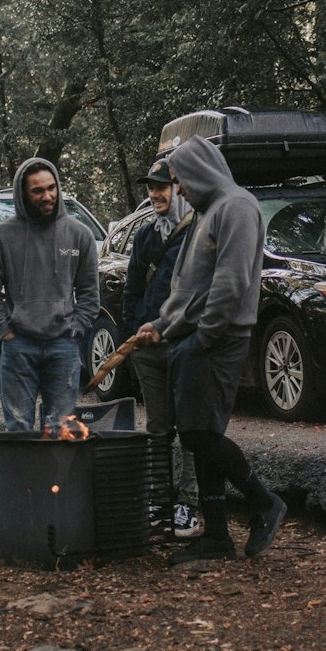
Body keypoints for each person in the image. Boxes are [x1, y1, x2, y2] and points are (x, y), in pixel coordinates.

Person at [134, 135, 286, 563]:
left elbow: (230, 283)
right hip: (191, 337)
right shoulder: (208, 213)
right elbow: (191, 287)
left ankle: (264, 501)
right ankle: (217, 535)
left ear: (200, 170)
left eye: (181, 180)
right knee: (199, 435)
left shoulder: (236, 206)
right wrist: (163, 324)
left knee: (201, 434)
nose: (178, 189)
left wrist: (204, 337)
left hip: (216, 340)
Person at [0, 157, 100, 433]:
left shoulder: (79, 235)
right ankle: (23, 479)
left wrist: (76, 329)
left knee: (60, 429)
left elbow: (90, 293)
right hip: (18, 345)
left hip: (63, 345)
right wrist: (5, 331)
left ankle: (55, 478)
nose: (47, 196)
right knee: (18, 428)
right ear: (23, 194)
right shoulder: (0, 236)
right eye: (38, 191)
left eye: (51, 188)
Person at [122, 157, 201, 539]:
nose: (155, 193)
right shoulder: (145, 236)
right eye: (151, 186)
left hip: (185, 346)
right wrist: (131, 335)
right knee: (157, 428)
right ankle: (158, 500)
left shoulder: (198, 233)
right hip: (147, 349)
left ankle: (188, 503)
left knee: (189, 426)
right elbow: (132, 287)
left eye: (163, 185)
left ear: (180, 187)